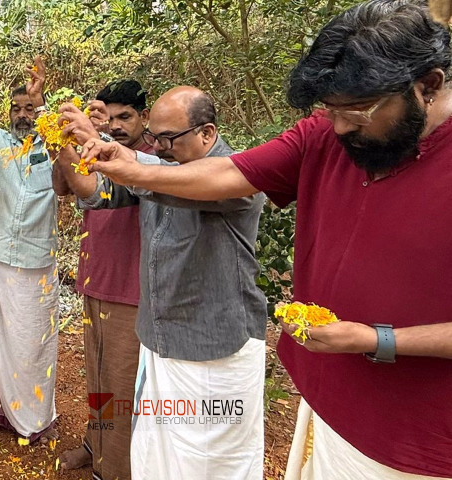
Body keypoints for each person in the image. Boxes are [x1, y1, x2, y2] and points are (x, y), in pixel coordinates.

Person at [78, 1, 452, 477]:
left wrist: (377, 339)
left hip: (421, 441)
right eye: (331, 110)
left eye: (357, 112)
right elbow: (230, 172)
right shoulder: (324, 134)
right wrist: (131, 167)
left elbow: (227, 187)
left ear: (428, 86)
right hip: (328, 404)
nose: (340, 126)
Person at [58, 86, 267, 479]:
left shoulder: (236, 176)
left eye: (168, 138)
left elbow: (167, 179)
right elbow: (99, 193)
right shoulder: (160, 169)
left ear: (207, 133)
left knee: (209, 465)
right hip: (161, 339)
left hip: (214, 349)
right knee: (158, 455)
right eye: (154, 137)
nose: (158, 147)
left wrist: (125, 158)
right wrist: (73, 144)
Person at [52, 79, 152, 480]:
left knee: (122, 387)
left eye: (125, 117)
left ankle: (115, 470)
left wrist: (95, 139)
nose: (117, 126)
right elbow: (63, 186)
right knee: (97, 378)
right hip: (95, 280)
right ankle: (95, 446)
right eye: (110, 118)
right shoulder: (97, 151)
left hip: (131, 291)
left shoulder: (152, 159)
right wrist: (66, 142)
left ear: (145, 116)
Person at [0, 54, 60, 445]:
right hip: (2, 252)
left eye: (29, 108)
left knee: (36, 340)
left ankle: (37, 416)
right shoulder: (1, 141)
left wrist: (42, 98)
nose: (23, 114)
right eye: (17, 108)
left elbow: (68, 157)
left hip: (39, 256)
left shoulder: (54, 144)